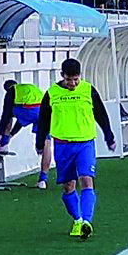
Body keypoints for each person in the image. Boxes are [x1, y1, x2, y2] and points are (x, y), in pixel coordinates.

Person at [34, 56, 115, 239]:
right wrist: (40, 142)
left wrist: (109, 136)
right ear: (62, 75)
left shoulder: (88, 90)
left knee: (86, 179)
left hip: (85, 143)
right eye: (69, 79)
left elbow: (100, 113)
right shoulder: (52, 93)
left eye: (76, 79)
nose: (73, 83)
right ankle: (77, 219)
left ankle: (87, 221)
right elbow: (44, 119)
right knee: (68, 185)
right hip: (63, 145)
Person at [0, 76, 46, 187]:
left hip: (27, 109)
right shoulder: (28, 88)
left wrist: (0, 134)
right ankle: (42, 179)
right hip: (43, 112)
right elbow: (21, 122)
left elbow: (6, 114)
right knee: (46, 143)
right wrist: (11, 134)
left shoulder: (12, 91)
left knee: (10, 115)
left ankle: (4, 145)